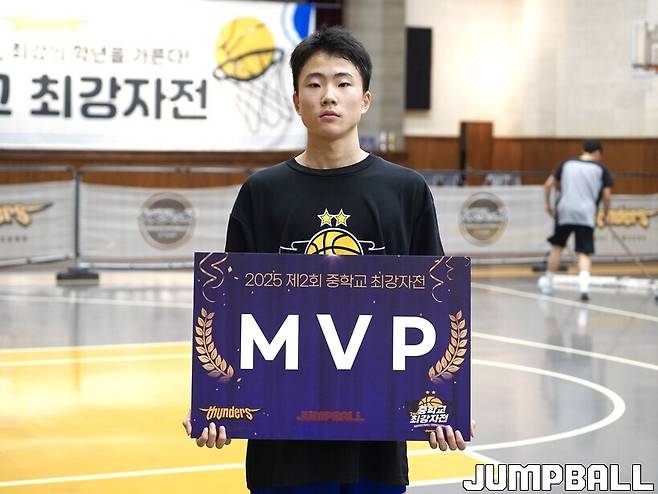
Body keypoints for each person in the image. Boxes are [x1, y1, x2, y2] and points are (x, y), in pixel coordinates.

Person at [183, 26, 474, 493]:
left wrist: (445, 404)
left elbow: (434, 308)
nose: (328, 96)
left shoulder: (406, 191)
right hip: (284, 450)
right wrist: (215, 402)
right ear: (296, 101)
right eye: (314, 84)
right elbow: (233, 310)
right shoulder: (262, 192)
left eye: (342, 82)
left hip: (375, 445)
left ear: (365, 99)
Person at [538, 139, 613, 301]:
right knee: (584, 251)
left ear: (583, 149)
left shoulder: (566, 163)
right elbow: (607, 195)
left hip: (564, 211)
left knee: (557, 247)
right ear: (597, 152)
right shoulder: (601, 169)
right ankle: (584, 288)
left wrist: (548, 204)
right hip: (586, 213)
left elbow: (548, 185)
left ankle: (548, 283)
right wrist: (606, 214)